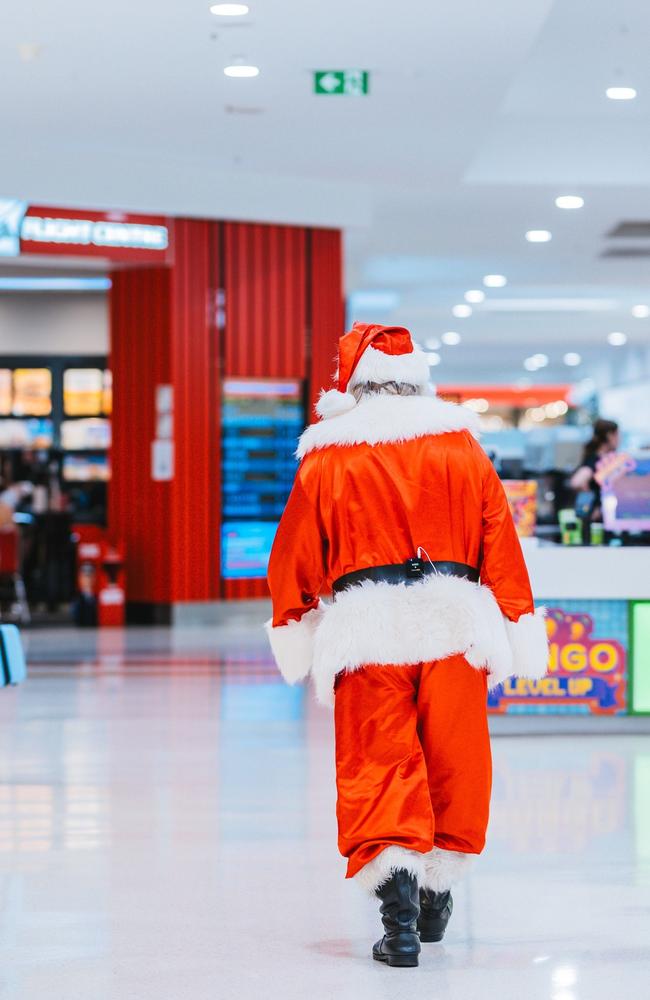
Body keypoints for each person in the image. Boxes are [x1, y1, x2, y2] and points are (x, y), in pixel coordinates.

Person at [265, 323, 548, 968]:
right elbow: (498, 540)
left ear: (353, 383)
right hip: (456, 626)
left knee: (377, 763)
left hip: (367, 631)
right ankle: (437, 896)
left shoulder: (328, 457)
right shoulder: (463, 447)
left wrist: (294, 621)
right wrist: (517, 619)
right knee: (455, 760)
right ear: (419, 377)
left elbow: (296, 554)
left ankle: (398, 926)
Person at [570, 418, 619, 513]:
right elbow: (576, 482)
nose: (619, 440)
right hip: (598, 519)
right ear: (609, 436)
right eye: (617, 435)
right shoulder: (595, 460)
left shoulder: (601, 458)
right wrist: (593, 503)